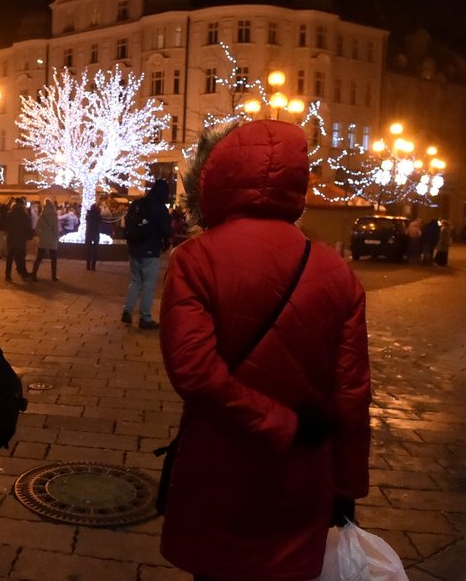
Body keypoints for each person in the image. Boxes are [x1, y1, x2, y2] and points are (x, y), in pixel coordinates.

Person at [159, 120, 371, 581]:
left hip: (221, 465)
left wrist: (280, 425)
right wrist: (348, 482)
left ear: (215, 177)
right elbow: (353, 393)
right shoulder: (335, 271)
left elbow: (194, 371)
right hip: (302, 476)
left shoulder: (196, 259)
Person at [121, 179, 172, 329]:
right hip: (150, 249)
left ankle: (127, 310)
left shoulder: (138, 204)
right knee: (148, 284)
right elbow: (166, 230)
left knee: (136, 281)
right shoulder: (160, 208)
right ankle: (145, 317)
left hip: (134, 247)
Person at [0, 197, 34, 282]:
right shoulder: (24, 214)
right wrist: (29, 236)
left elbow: (5, 226)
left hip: (11, 238)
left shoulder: (9, 214)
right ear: (22, 204)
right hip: (20, 238)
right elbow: (28, 227)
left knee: (10, 257)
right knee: (21, 256)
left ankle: (7, 275)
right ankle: (23, 272)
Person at [32, 199, 60, 281]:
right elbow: (56, 229)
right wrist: (56, 237)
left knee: (39, 258)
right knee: (53, 259)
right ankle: (53, 276)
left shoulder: (42, 216)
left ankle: (34, 274)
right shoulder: (54, 215)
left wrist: (41, 234)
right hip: (52, 240)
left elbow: (37, 229)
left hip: (43, 239)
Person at [84, 200, 102, 270]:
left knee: (88, 250)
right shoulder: (98, 215)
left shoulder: (89, 215)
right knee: (95, 250)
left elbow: (87, 219)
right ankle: (93, 266)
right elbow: (101, 221)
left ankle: (88, 265)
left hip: (89, 233)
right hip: (96, 233)